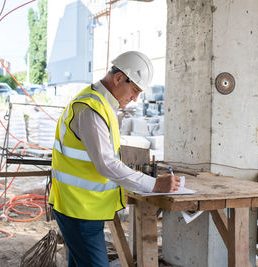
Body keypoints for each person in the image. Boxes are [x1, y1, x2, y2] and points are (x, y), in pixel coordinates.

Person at [49, 51, 181, 267]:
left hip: (81, 207)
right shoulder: (92, 110)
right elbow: (106, 164)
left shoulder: (100, 104)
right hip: (79, 209)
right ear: (119, 78)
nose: (135, 98)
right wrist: (154, 184)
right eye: (135, 90)